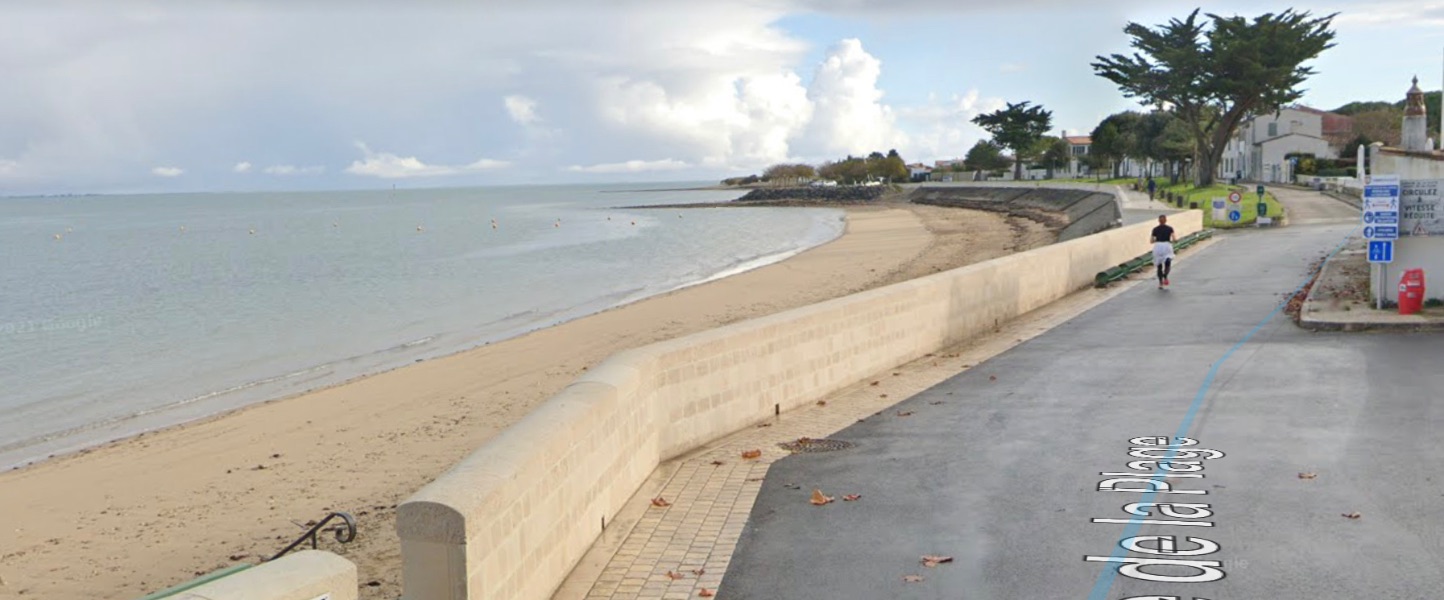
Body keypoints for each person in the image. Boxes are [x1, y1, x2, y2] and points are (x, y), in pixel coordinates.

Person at [1151, 214, 1176, 289]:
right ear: (1166, 220)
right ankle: (1165, 275)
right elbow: (1174, 239)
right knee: (1168, 263)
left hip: (1158, 246)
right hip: (1167, 246)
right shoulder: (1170, 228)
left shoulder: (1155, 229)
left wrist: (1157, 239)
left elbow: (1151, 241)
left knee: (1159, 266)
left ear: (1158, 221)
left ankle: (1160, 283)